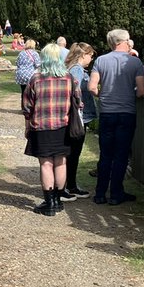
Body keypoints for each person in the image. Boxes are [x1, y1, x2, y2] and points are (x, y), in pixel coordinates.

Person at [88, 28, 144, 205]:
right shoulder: (134, 63)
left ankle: (99, 193)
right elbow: (142, 91)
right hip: (126, 113)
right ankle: (115, 193)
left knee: (105, 154)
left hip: (106, 113)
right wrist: (129, 94)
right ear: (123, 41)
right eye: (129, 40)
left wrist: (103, 96)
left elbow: (92, 87)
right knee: (121, 155)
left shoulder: (100, 60)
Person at [22, 43, 81, 215]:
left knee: (46, 164)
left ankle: (49, 203)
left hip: (42, 127)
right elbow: (79, 101)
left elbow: (27, 107)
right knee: (61, 162)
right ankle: (57, 200)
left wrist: (27, 126)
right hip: (64, 126)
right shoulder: (70, 78)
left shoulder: (36, 79)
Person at [62, 42, 97, 201]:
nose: (91, 59)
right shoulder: (76, 70)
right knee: (73, 153)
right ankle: (71, 186)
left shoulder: (72, 68)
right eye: (90, 55)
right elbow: (73, 91)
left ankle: (69, 184)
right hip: (78, 116)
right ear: (83, 54)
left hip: (77, 115)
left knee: (72, 152)